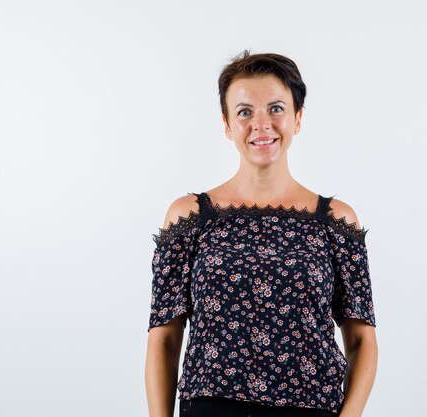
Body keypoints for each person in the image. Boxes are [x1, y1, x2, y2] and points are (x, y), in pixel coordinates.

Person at [144, 50, 378, 417]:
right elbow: (164, 339)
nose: (261, 124)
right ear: (226, 124)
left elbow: (363, 341)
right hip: (211, 409)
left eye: (276, 108)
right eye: (244, 112)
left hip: (310, 409)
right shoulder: (189, 217)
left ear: (298, 118)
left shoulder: (336, 221)